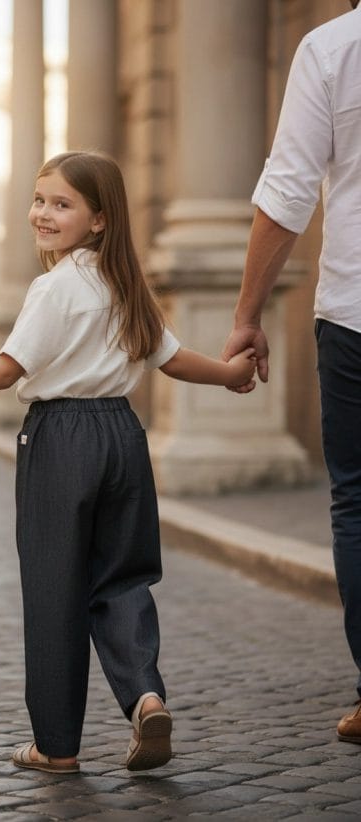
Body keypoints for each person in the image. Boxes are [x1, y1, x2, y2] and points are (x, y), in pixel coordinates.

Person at [0, 151, 256, 773]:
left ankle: (55, 746)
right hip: (122, 433)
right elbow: (172, 359)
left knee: (55, 588)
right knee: (124, 577)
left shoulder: (53, 288)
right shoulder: (126, 287)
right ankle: (145, 695)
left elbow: (7, 370)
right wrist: (228, 375)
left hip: (61, 437)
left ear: (99, 220)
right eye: (39, 200)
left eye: (61, 204)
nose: (43, 214)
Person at [223, 1, 361, 744]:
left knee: (359, 504)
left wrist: (247, 315)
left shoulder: (332, 47)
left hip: (356, 314)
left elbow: (287, 192)